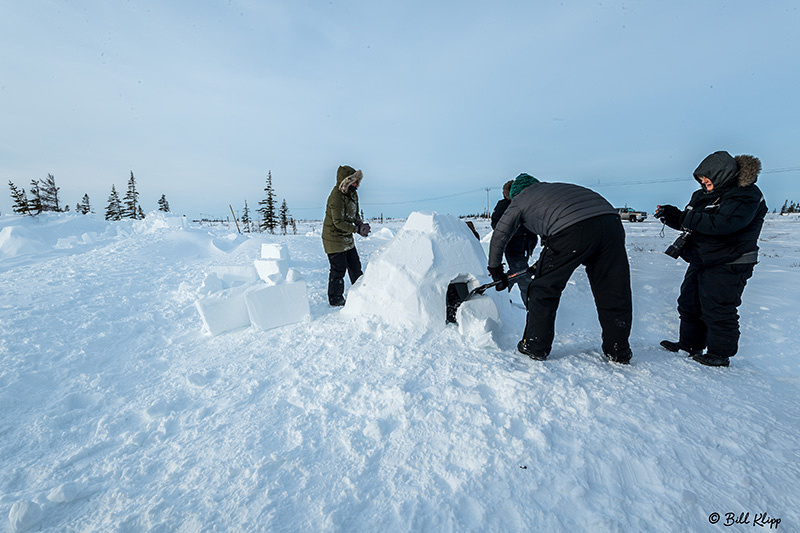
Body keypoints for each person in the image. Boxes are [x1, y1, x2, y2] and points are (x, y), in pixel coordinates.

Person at [488, 173, 633, 364]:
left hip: (573, 229)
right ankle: (618, 350)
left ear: (516, 193)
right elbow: (552, 236)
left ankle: (535, 345)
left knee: (543, 288)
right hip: (610, 223)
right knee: (613, 288)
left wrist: (495, 269)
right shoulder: (555, 189)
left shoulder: (520, 200)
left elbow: (500, 234)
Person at [655, 151, 766, 367]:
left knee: (718, 307)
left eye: (707, 177)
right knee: (688, 303)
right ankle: (689, 345)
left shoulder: (746, 194)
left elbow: (724, 225)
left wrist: (686, 217)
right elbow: (693, 222)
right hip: (703, 258)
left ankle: (719, 353)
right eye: (701, 178)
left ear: (722, 173)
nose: (703, 181)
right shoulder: (703, 195)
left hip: (731, 261)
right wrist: (672, 215)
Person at [322, 165, 371, 306]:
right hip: (333, 237)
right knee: (339, 269)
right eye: (353, 181)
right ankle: (335, 298)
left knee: (355, 265)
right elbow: (338, 222)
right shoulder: (336, 197)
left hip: (347, 236)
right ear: (345, 181)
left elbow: (355, 214)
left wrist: (360, 225)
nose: (356, 184)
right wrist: (356, 229)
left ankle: (362, 293)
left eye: (357, 181)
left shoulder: (353, 194)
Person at [490, 177, 538, 307]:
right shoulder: (504, 205)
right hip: (512, 244)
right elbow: (496, 224)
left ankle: (501, 295)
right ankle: (531, 306)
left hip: (525, 244)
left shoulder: (526, 205)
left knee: (517, 271)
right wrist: (514, 231)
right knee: (524, 276)